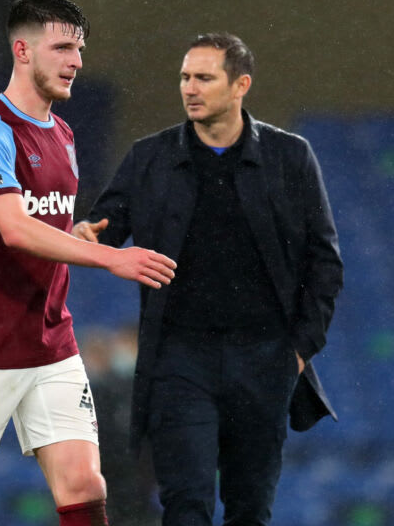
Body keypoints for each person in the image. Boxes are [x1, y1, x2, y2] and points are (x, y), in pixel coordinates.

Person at [0, 0, 177, 526]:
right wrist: (110, 260)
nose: (76, 61)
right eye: (63, 47)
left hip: (50, 340)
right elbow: (16, 229)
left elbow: (40, 223)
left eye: (80, 48)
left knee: (83, 482)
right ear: (22, 51)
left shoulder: (64, 134)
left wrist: (76, 233)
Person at [72, 32, 343, 525]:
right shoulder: (149, 157)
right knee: (185, 503)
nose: (189, 88)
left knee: (250, 507)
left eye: (204, 78)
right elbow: (103, 227)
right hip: (180, 358)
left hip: (264, 357)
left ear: (241, 85)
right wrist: (87, 233)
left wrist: (300, 349)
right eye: (184, 77)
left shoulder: (290, 157)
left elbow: (324, 263)